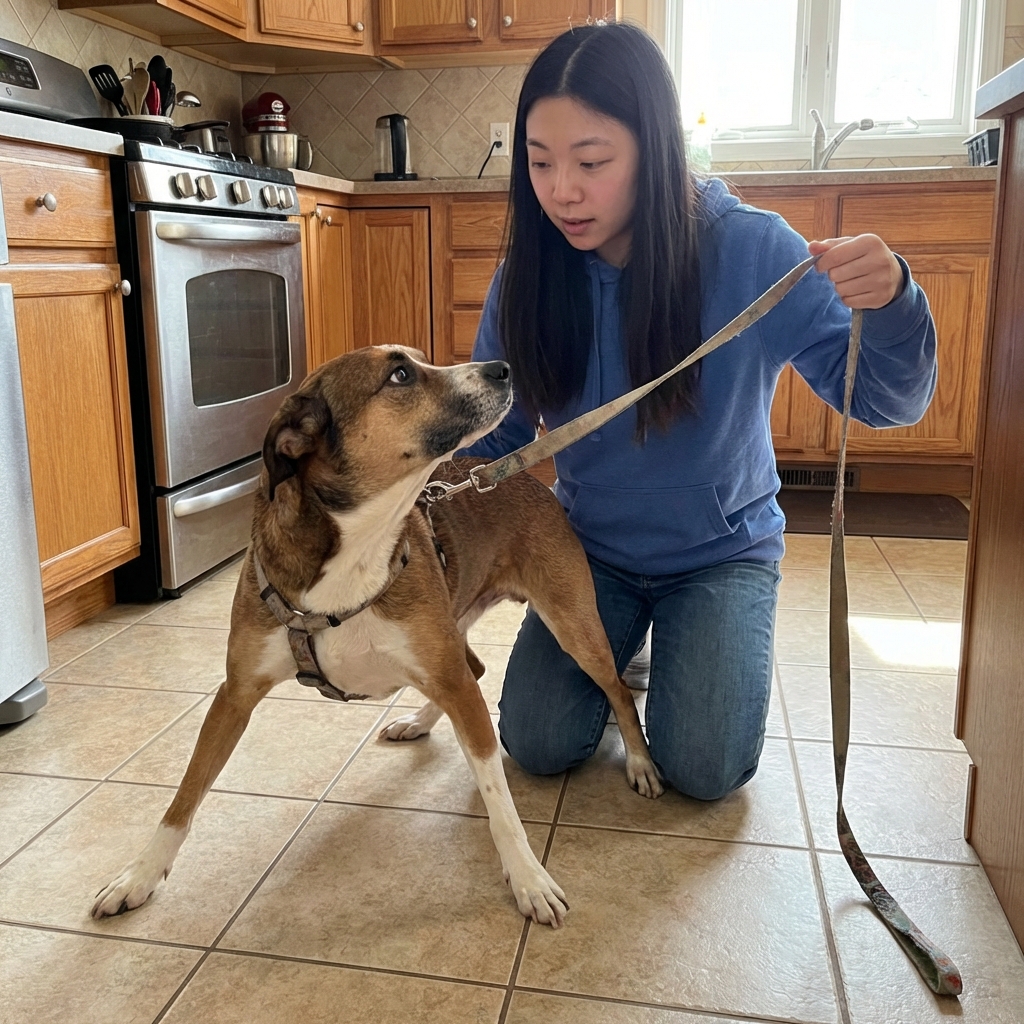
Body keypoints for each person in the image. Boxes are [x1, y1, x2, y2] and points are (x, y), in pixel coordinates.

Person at [462, 22, 936, 801]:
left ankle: (703, 638)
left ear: (653, 148)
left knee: (705, 769)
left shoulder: (752, 250)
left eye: (592, 162)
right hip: (591, 552)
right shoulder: (528, 272)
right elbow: (500, 442)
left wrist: (894, 304)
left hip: (722, 554)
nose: (562, 191)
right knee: (536, 741)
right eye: (540, 163)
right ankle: (638, 645)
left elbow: (886, 403)